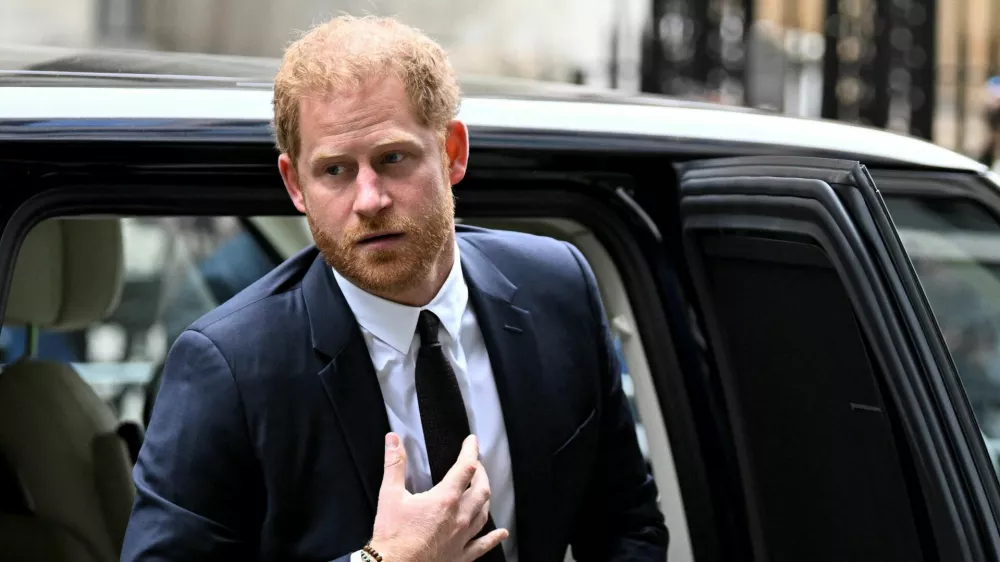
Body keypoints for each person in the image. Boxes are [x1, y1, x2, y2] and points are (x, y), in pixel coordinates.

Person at [121, 14, 667, 562]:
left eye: (393, 159)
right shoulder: (229, 367)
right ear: (295, 184)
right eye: (335, 170)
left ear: (452, 151)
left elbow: (627, 525)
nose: (369, 199)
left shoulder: (557, 287)